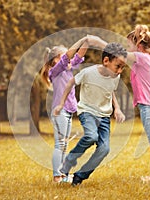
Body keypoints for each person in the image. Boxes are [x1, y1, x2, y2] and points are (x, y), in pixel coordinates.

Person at [54, 42, 127, 186]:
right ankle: (68, 162)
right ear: (106, 61)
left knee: (104, 149)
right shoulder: (89, 72)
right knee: (91, 136)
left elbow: (110, 91)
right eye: (118, 66)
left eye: (122, 67)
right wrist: (61, 104)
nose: (120, 71)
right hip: (87, 111)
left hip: (104, 116)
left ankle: (79, 177)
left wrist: (117, 108)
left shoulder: (115, 77)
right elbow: (70, 82)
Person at [40, 36, 89, 183]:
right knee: (60, 143)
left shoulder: (68, 68)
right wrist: (79, 41)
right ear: (56, 59)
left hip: (68, 110)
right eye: (64, 56)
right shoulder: (56, 70)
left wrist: (87, 41)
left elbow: (79, 55)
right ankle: (57, 176)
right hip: (59, 111)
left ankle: (63, 175)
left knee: (64, 143)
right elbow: (68, 56)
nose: (68, 58)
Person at [126, 25, 150, 180]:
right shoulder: (143, 59)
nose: (128, 48)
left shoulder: (141, 57)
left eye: (129, 45)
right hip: (148, 105)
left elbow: (121, 54)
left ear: (139, 46)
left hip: (148, 106)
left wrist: (97, 42)